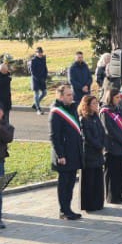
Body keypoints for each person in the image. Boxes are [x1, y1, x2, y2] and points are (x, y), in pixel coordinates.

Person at [50, 84, 84, 220]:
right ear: (60, 96)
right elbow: (55, 136)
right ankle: (63, 210)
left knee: (70, 183)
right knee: (64, 184)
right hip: (64, 154)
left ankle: (68, 208)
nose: (71, 97)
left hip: (74, 152)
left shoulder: (72, 109)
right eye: (68, 95)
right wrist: (61, 155)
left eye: (71, 94)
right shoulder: (56, 112)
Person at [78, 94, 107, 213]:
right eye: (94, 103)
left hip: (98, 153)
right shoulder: (83, 119)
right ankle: (89, 204)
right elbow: (87, 137)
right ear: (87, 105)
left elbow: (102, 132)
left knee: (98, 179)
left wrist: (103, 144)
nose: (96, 105)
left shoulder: (96, 117)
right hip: (89, 153)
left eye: (97, 103)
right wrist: (99, 146)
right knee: (89, 180)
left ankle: (98, 202)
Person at [102, 100, 122, 202]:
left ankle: (118, 194)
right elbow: (109, 130)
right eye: (116, 97)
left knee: (119, 172)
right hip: (112, 147)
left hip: (121, 146)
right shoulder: (105, 112)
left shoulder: (117, 111)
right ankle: (111, 196)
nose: (118, 99)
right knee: (112, 173)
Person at [28, 45, 49, 113]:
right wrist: (38, 78)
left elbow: (45, 69)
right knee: (36, 94)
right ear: (36, 53)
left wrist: (45, 77)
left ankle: (35, 104)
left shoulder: (43, 59)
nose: (40, 53)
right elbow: (32, 72)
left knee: (44, 93)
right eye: (38, 52)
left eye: (41, 52)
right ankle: (38, 109)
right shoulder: (33, 60)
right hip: (35, 80)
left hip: (42, 79)